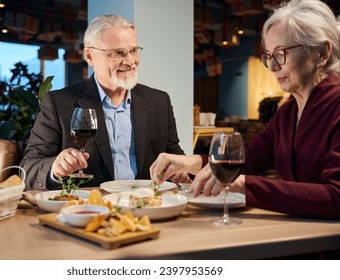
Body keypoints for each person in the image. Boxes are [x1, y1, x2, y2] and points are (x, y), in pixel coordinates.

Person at [150, 0, 340, 219]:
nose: (272, 67)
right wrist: (186, 162)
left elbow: (336, 197)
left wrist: (244, 186)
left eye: (281, 53)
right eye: (268, 56)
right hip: (295, 233)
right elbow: (247, 160)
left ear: (321, 53)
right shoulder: (287, 113)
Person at [20, 15, 187, 190]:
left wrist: (183, 171)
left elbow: (174, 158)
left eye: (134, 50)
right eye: (118, 52)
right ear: (90, 56)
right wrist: (54, 167)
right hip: (89, 210)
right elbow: (28, 168)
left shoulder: (158, 101)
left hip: (144, 209)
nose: (130, 61)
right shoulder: (58, 103)